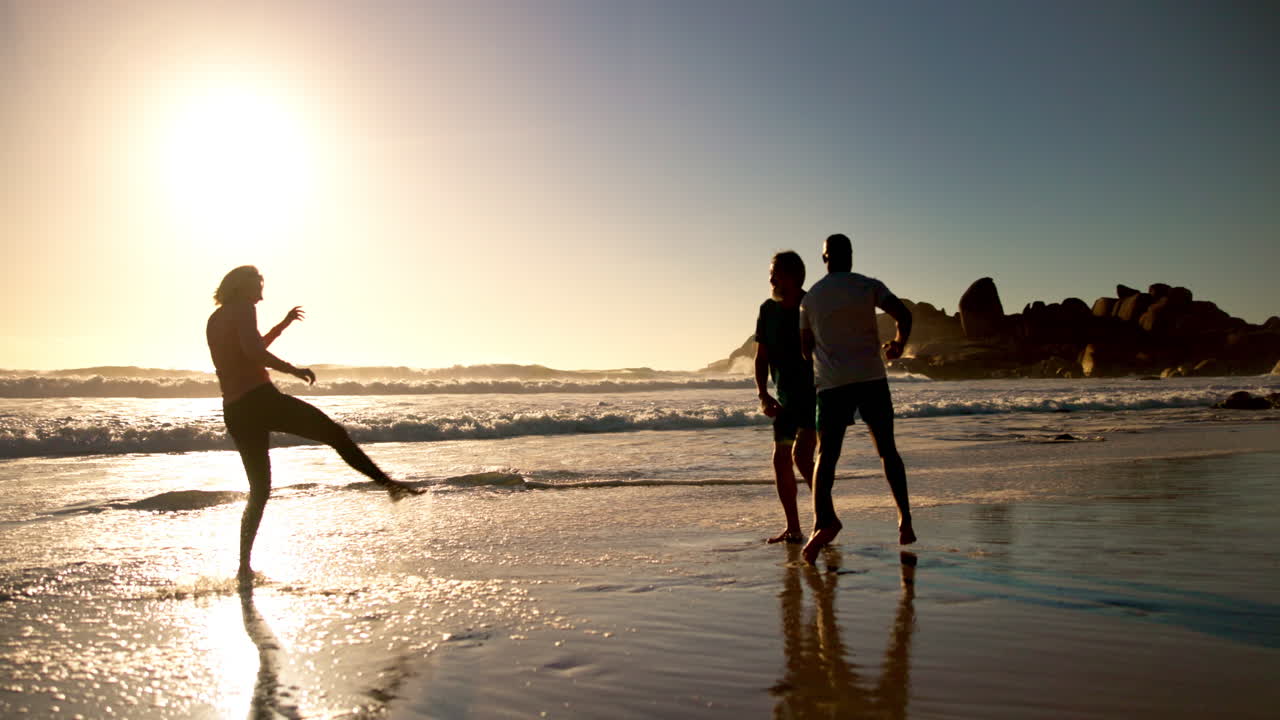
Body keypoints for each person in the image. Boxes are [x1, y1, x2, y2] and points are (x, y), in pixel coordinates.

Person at [206, 265, 420, 583]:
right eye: (257, 282)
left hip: (235, 410)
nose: (261, 288)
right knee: (335, 434)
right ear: (242, 285)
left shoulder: (216, 318)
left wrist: (282, 325)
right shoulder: (243, 307)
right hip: (260, 400)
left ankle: (243, 568)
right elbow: (253, 351)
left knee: (260, 490)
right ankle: (389, 485)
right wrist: (293, 370)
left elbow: (249, 347)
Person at [799, 234, 916, 564]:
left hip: (833, 385)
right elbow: (903, 315)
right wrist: (897, 345)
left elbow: (804, 349)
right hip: (871, 379)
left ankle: (823, 522)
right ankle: (904, 519)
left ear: (825, 259)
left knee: (827, 456)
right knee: (887, 450)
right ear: (850, 256)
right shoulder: (868, 286)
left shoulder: (812, 299)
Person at [754, 251, 816, 544]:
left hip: (815, 394)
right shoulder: (767, 310)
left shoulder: (812, 305)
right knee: (781, 460)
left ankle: (825, 519)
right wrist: (763, 394)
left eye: (775, 273)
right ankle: (794, 528)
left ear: (792, 276)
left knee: (802, 457)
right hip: (785, 399)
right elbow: (761, 357)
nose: (770, 278)